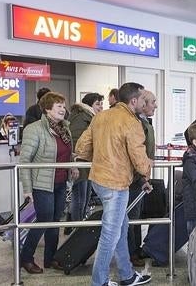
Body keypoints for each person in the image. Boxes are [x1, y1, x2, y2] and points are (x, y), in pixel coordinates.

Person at [75, 82, 153, 286]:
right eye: (143, 100)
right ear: (133, 101)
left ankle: (126, 275)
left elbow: (81, 148)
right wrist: (147, 170)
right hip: (116, 185)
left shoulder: (100, 116)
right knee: (110, 235)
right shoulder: (131, 122)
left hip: (98, 181)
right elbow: (139, 160)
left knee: (120, 226)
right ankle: (99, 282)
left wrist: (103, 156)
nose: (145, 103)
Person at [19, 92, 79, 274]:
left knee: (54, 222)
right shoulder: (34, 129)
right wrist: (27, 189)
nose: (63, 109)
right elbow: (24, 160)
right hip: (42, 184)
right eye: (58, 106)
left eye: (63, 105)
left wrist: (73, 165)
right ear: (47, 109)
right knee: (44, 221)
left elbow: (66, 154)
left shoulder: (65, 129)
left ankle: (50, 258)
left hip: (61, 182)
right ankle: (26, 258)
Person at [65, 92, 104, 235]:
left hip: (86, 164)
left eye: (101, 104)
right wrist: (73, 163)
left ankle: (77, 227)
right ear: (89, 104)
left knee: (84, 197)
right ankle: (77, 231)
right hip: (80, 164)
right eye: (98, 104)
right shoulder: (82, 117)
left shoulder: (88, 116)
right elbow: (73, 141)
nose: (101, 107)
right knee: (80, 198)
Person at [128, 90, 158, 267]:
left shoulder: (144, 122)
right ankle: (131, 253)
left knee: (137, 216)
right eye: (153, 102)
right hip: (135, 179)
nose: (156, 105)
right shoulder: (135, 123)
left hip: (141, 177)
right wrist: (142, 178)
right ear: (143, 103)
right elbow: (136, 155)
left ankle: (135, 250)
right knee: (132, 218)